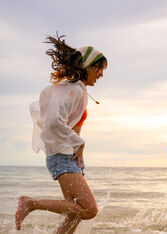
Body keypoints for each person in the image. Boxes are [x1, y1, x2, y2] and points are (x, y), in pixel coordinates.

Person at [15, 33, 107, 233]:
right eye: (100, 69)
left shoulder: (70, 89)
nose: (101, 74)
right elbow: (53, 122)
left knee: (74, 213)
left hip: (68, 156)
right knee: (89, 210)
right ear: (88, 66)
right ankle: (31, 203)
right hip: (63, 156)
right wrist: (79, 141)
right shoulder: (75, 90)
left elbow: (52, 117)